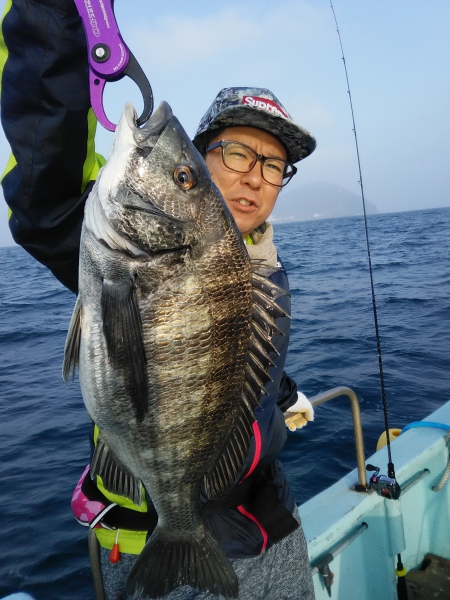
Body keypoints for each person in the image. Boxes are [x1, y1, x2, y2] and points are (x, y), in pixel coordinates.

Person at [0, 1, 316, 599]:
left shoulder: (267, 271)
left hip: (274, 526)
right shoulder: (119, 246)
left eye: (275, 165)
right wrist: (52, 17)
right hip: (158, 544)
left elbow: (232, 366)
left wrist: (282, 389)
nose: (255, 176)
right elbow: (47, 195)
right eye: (237, 153)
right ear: (201, 158)